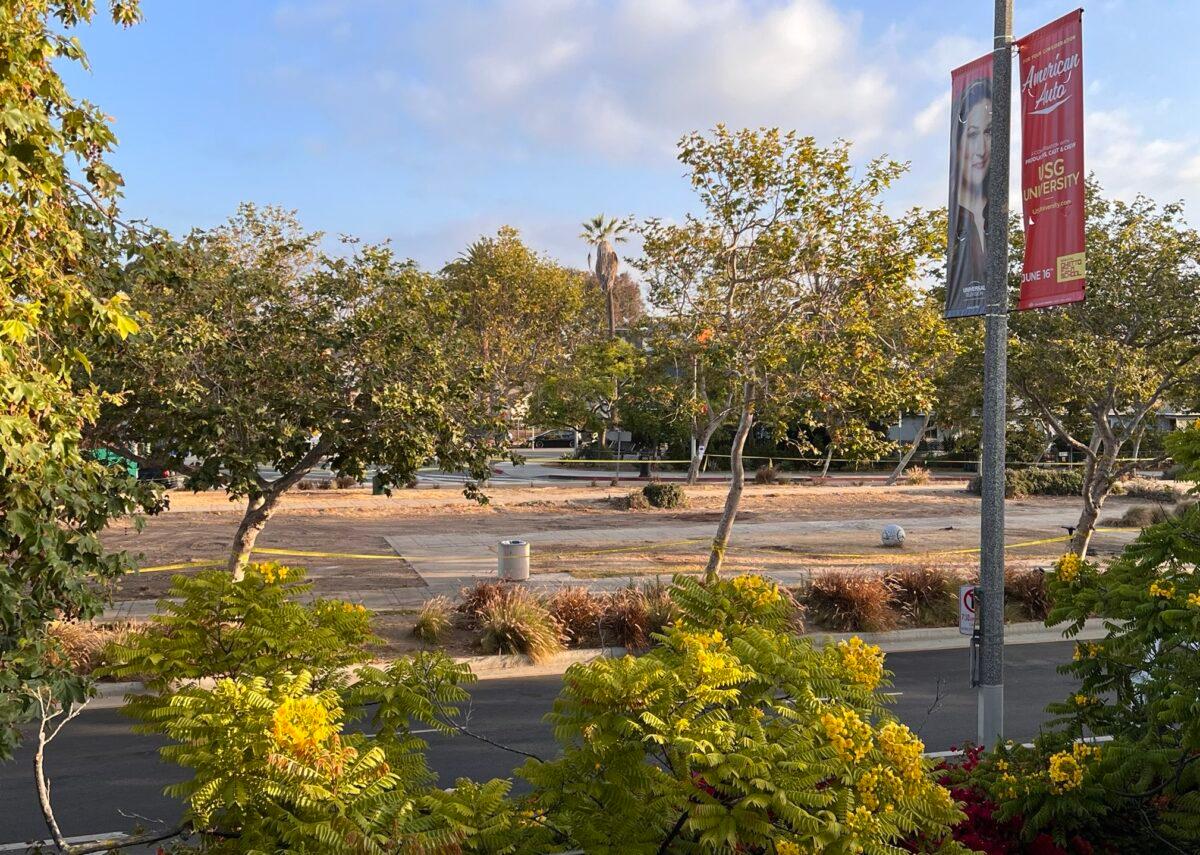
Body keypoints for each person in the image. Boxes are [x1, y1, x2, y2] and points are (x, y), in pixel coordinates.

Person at [947, 77, 991, 316]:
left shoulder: (998, 216)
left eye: (989, 132)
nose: (982, 150)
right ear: (957, 140)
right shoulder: (956, 221)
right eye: (972, 134)